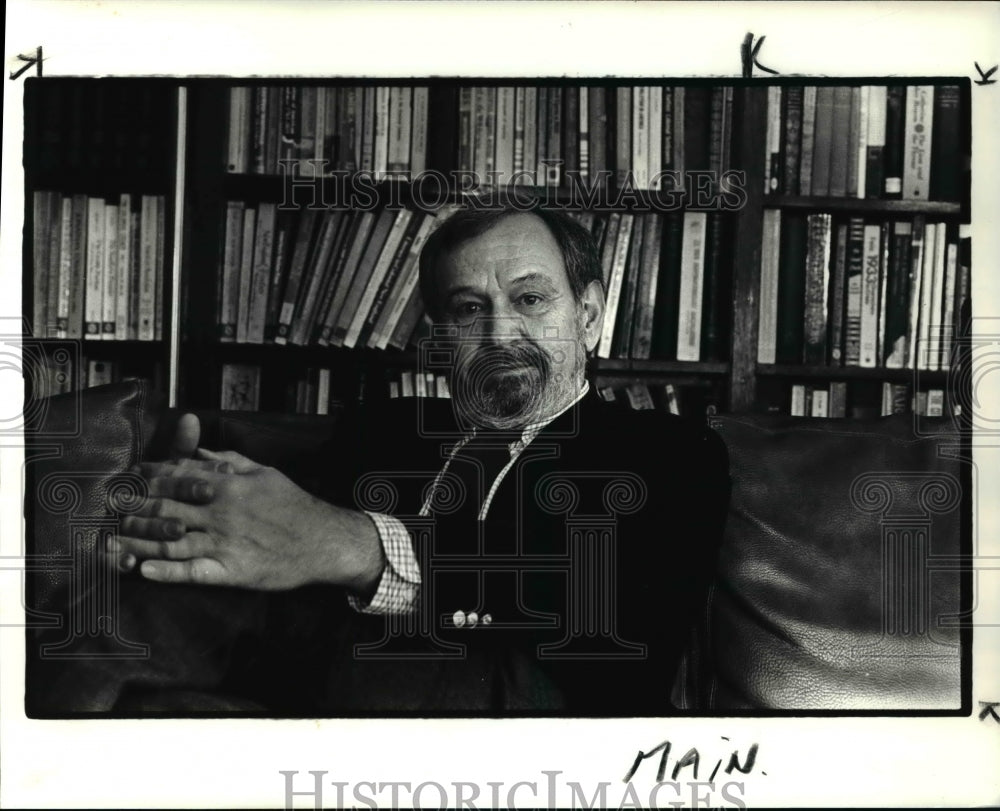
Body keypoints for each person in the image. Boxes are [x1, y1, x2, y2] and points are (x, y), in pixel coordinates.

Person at [112, 204, 730, 714]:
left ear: (588, 317)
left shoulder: (672, 453)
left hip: (527, 721)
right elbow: (272, 541)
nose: (500, 335)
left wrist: (357, 546)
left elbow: (605, 615)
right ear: (439, 337)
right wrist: (181, 509)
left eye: (531, 300)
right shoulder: (379, 431)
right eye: (468, 309)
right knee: (139, 611)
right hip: (319, 692)